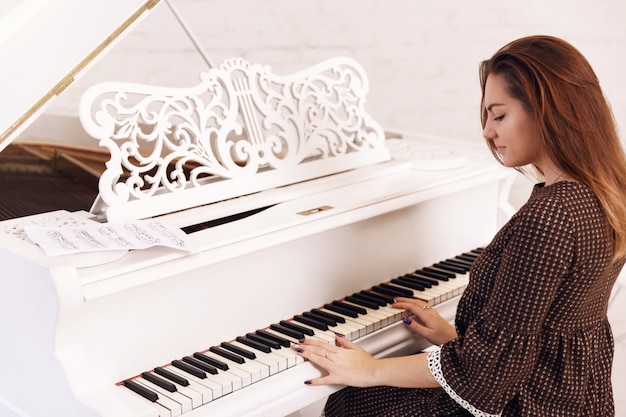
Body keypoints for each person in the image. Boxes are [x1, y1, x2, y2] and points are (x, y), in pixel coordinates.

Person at [294, 35, 626, 416]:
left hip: (524, 406)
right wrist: (457, 339)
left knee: (351, 401)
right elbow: (545, 329)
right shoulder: (603, 193)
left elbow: (486, 375)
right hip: (568, 398)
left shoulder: (550, 216)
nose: (487, 131)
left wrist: (370, 369)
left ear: (548, 110)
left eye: (499, 115)